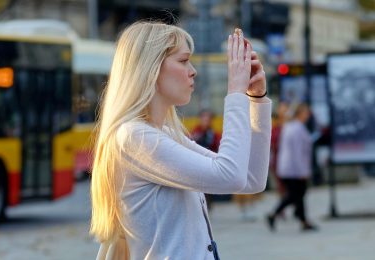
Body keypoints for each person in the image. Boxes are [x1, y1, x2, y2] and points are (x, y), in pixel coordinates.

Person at [90, 21, 272, 260]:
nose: (193, 70)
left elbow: (250, 179)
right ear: (151, 68)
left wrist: (256, 99)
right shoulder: (134, 137)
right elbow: (231, 174)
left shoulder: (163, 134)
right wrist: (236, 92)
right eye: (184, 60)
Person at [267, 104, 318, 232]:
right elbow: (297, 152)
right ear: (300, 113)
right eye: (306, 113)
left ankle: (302, 219)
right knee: (295, 195)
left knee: (298, 194)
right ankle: (274, 214)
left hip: (289, 167)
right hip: (293, 169)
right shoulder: (296, 128)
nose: (308, 115)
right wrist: (302, 171)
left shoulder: (292, 126)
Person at [191, 109, 221, 210]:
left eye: (208, 118)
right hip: (197, 163)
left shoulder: (213, 133)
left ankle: (208, 206)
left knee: (208, 189)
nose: (206, 120)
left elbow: (217, 147)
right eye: (204, 117)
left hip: (210, 163)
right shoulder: (196, 131)